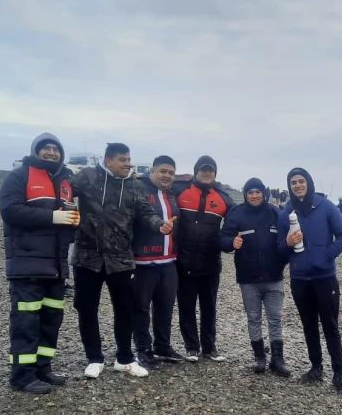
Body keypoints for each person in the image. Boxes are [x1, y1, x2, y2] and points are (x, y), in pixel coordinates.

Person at [70, 143, 174, 379]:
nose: (128, 163)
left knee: (125, 309)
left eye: (128, 159)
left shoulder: (134, 185)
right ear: (108, 161)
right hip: (88, 257)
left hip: (121, 259)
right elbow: (63, 191)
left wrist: (160, 225)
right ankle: (94, 358)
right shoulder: (87, 177)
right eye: (122, 159)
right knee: (87, 309)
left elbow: (146, 213)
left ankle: (124, 359)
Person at [0, 133, 78, 394]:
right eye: (46, 148)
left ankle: (43, 367)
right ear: (36, 151)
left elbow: (68, 219)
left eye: (56, 149)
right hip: (27, 265)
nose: (52, 152)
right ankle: (21, 376)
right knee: (26, 322)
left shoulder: (66, 182)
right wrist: (53, 217)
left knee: (51, 319)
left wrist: (73, 225)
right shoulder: (20, 175)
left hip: (56, 268)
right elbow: (10, 210)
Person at [277, 168, 342, 394]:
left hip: (325, 277)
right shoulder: (286, 213)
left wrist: (326, 255)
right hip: (300, 278)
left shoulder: (326, 206)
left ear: (308, 183)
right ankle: (316, 367)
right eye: (293, 182)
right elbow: (279, 249)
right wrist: (289, 243)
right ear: (289, 187)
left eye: (301, 181)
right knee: (308, 324)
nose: (298, 185)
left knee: (330, 325)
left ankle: (339, 373)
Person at [220, 177, 291, 377]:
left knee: (275, 319)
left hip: (274, 277)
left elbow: (288, 239)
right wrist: (230, 243)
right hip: (248, 278)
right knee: (253, 318)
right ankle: (259, 357)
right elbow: (223, 238)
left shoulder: (276, 213)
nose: (254, 195)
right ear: (245, 194)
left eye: (257, 192)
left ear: (263, 193)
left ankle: (278, 359)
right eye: (250, 192)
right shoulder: (236, 213)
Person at [173, 155, 235, 361]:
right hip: (184, 261)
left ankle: (209, 347)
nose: (207, 173)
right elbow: (158, 187)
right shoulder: (180, 190)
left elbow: (238, 219)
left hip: (210, 263)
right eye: (203, 169)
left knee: (209, 307)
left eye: (211, 170)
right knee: (186, 306)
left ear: (215, 173)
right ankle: (192, 346)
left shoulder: (223, 197)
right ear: (196, 171)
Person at [132, 155, 185, 369]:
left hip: (168, 261)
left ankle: (162, 345)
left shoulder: (172, 194)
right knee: (141, 308)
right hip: (143, 261)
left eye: (171, 173)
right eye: (163, 171)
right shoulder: (138, 189)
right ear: (151, 171)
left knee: (165, 307)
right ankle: (143, 348)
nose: (167, 176)